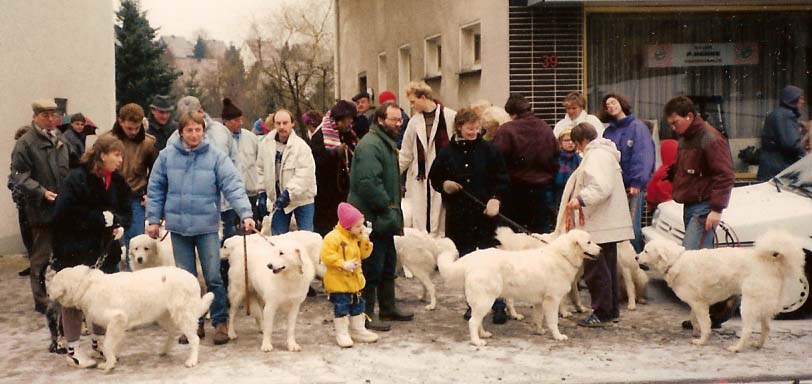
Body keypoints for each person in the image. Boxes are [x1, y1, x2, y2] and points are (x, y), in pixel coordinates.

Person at [146, 111, 255, 346]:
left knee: (213, 276)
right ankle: (192, 324)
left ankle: (220, 322)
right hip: (179, 227)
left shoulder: (215, 156)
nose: (194, 134)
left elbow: (233, 185)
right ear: (181, 132)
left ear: (203, 131)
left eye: (198, 130)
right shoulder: (166, 157)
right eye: (189, 130)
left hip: (207, 226)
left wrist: (245, 213)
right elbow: (155, 188)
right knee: (186, 279)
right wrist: (153, 219)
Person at [50, 135, 131, 368]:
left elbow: (125, 207)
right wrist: (97, 219)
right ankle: (73, 348)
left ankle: (98, 343)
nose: (120, 159)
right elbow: (64, 214)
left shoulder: (116, 180)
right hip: (74, 248)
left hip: (105, 249)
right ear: (102, 155)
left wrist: (119, 224)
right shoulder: (77, 179)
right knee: (73, 299)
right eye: (116, 154)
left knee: (103, 295)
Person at [428, 107, 510, 323]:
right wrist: (444, 185)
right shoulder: (447, 152)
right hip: (459, 216)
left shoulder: (489, 151)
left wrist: (496, 199)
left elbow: (502, 179)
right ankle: (473, 305)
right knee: (466, 261)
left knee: (492, 261)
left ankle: (499, 304)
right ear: (459, 127)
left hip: (485, 215)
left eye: (476, 128)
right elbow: (434, 177)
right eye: (469, 128)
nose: (473, 132)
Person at [663, 96, 736, 329]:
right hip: (691, 205)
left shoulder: (711, 138)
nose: (673, 128)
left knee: (692, 262)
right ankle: (708, 314)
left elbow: (725, 175)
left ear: (690, 116)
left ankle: (724, 304)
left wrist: (716, 209)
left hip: (704, 207)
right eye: (670, 124)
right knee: (700, 264)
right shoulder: (687, 138)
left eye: (675, 123)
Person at [561, 122, 633, 327]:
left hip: (599, 222)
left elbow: (601, 186)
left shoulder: (595, 156)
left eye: (577, 144)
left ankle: (601, 312)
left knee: (596, 269)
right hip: (607, 221)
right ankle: (610, 310)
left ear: (583, 141)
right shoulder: (605, 153)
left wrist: (580, 199)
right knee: (607, 266)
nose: (577, 149)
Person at [349, 102, 413, 331]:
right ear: (379, 120)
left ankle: (388, 308)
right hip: (371, 218)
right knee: (371, 267)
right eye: (394, 120)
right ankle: (366, 314)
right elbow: (368, 183)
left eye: (400, 120)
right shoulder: (371, 146)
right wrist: (387, 206)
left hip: (383, 217)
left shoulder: (384, 144)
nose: (399, 123)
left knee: (387, 263)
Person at [11, 99, 70, 314]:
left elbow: (69, 167)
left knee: (63, 253)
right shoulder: (25, 143)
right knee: (41, 258)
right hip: (40, 209)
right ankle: (41, 300)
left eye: (53, 115)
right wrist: (41, 192)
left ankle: (63, 295)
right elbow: (19, 176)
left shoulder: (60, 139)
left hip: (62, 207)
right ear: (35, 116)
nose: (50, 119)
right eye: (45, 115)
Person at [101, 103, 159, 271]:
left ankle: (134, 278)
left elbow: (156, 173)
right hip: (109, 197)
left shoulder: (148, 143)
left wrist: (149, 193)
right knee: (109, 241)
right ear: (120, 122)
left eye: (136, 127)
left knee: (135, 242)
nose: (133, 132)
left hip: (135, 197)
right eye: (129, 128)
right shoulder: (107, 141)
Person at [493, 93, 558, 234]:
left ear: (512, 113)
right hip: (541, 190)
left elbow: (496, 161)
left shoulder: (506, 130)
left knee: (514, 236)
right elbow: (555, 157)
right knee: (539, 235)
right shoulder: (545, 127)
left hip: (514, 190)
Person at [399, 81, 456, 236]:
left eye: (413, 101)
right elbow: (406, 153)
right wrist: (394, 172)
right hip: (421, 176)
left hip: (444, 175)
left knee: (441, 217)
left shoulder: (450, 117)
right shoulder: (413, 123)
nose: (411, 106)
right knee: (421, 218)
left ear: (423, 97)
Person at [600, 93, 655, 253]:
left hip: (632, 186)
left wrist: (637, 182)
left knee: (631, 225)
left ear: (621, 103)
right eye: (607, 105)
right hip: (614, 185)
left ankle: (635, 258)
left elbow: (642, 156)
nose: (611, 106)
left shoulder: (637, 127)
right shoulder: (608, 131)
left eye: (613, 102)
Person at [320, 202, 378, 347]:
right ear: (348, 225)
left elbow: (364, 255)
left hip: (355, 282)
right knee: (342, 306)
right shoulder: (332, 238)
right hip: (338, 283)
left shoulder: (356, 238)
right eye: (358, 226)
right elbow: (326, 256)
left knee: (358, 305)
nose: (361, 229)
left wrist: (365, 240)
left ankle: (358, 329)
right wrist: (342, 263)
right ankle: (342, 332)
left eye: (362, 225)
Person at [256, 108, 317, 234]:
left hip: (302, 199)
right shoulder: (266, 144)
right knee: (278, 237)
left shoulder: (301, 147)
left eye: (285, 123)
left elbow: (305, 175)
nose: (282, 127)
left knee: (305, 237)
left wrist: (289, 193)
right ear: (274, 124)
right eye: (278, 123)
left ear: (292, 124)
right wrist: (262, 192)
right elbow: (261, 169)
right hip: (278, 200)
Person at [311, 100, 358, 236]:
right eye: (348, 119)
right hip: (325, 195)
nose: (350, 123)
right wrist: (334, 154)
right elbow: (316, 162)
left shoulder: (348, 134)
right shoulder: (320, 136)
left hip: (343, 192)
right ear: (339, 120)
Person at [221, 98, 260, 239]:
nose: (240, 123)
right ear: (226, 121)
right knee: (230, 233)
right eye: (236, 120)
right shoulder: (220, 139)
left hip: (249, 192)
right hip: (228, 196)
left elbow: (257, 161)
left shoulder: (251, 138)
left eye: (240, 120)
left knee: (249, 231)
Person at [757, 85, 807, 181]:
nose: (802, 102)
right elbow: (791, 144)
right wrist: (805, 155)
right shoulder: (787, 115)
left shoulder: (777, 113)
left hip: (769, 167)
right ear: (792, 99)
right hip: (779, 168)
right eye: (800, 98)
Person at [551, 129, 582, 213]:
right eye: (567, 140)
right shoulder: (554, 161)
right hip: (557, 198)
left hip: (575, 200)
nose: (570, 143)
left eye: (572, 140)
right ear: (560, 143)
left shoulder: (581, 160)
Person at [645, 139, 678, 211]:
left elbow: (651, 193)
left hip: (663, 207)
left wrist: (650, 203)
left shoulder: (660, 173)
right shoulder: (683, 171)